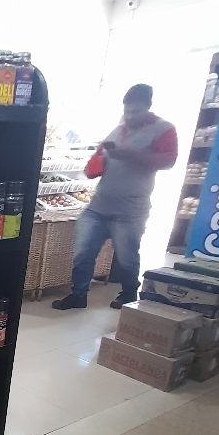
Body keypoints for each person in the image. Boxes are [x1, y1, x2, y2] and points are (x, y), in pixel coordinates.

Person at [52, 84, 177, 311]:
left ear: (148, 107)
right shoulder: (117, 131)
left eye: (136, 112)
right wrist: (96, 164)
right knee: (83, 253)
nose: (130, 116)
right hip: (98, 206)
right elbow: (95, 163)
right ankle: (78, 295)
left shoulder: (163, 129)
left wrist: (132, 155)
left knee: (127, 258)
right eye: (127, 111)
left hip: (131, 210)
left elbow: (169, 161)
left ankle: (128, 293)